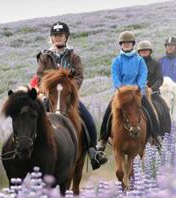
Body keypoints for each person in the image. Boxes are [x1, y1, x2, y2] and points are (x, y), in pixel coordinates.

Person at [35, 21, 107, 170]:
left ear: (66, 37)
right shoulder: (44, 57)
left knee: (88, 120)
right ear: (52, 38)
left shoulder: (74, 57)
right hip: (52, 96)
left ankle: (93, 151)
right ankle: (32, 149)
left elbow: (79, 76)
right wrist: (47, 89)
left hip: (68, 96)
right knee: (35, 117)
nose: (58, 38)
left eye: (61, 35)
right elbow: (40, 76)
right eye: (55, 35)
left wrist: (71, 89)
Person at [96, 31, 159, 152]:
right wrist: (120, 90)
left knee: (149, 110)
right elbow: (115, 77)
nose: (126, 45)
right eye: (124, 43)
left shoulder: (139, 60)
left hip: (136, 93)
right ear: (121, 45)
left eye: (128, 43)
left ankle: (155, 136)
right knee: (108, 111)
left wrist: (139, 88)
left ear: (133, 44)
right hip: (121, 93)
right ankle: (103, 139)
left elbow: (142, 74)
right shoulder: (117, 61)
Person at [137, 40, 171, 135]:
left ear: (150, 51)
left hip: (152, 93)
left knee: (164, 108)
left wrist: (152, 89)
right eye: (142, 51)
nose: (144, 52)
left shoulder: (156, 64)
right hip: (137, 93)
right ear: (139, 52)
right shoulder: (136, 65)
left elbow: (159, 79)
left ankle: (165, 134)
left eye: (146, 51)